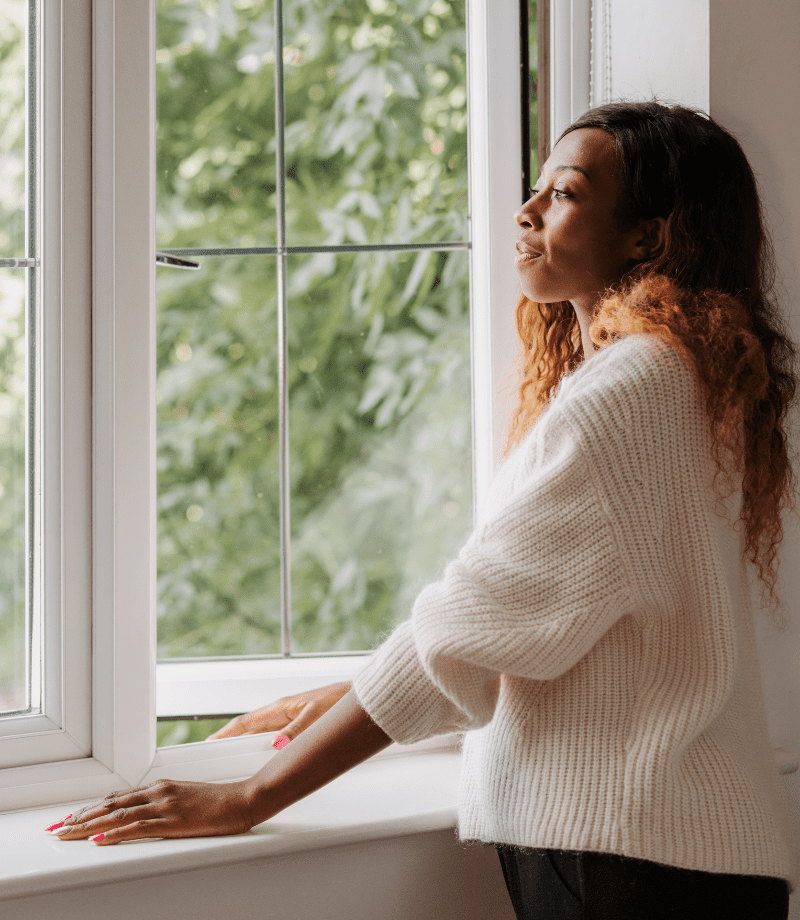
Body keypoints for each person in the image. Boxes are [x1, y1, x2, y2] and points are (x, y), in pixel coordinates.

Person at [46, 101, 799, 920]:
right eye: (536, 185)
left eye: (567, 192)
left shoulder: (632, 392)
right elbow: (543, 629)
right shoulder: (681, 382)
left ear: (646, 238)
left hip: (635, 863)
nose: (527, 208)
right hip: (664, 857)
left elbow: (465, 632)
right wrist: (346, 692)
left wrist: (248, 797)